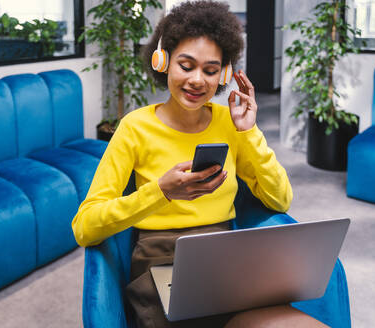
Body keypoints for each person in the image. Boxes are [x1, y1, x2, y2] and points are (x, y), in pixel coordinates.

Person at [72, 1, 328, 327]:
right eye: (186, 65)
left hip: (225, 259)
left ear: (223, 74)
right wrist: (160, 192)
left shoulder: (231, 122)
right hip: (160, 261)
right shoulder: (135, 127)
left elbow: (280, 199)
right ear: (162, 60)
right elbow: (85, 226)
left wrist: (248, 132)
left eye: (210, 70)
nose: (197, 80)